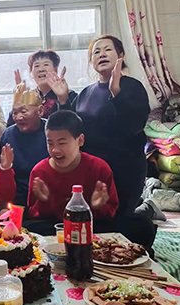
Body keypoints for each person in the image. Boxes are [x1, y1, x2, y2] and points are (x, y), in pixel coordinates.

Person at [53, 35, 155, 248]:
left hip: (124, 169)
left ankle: (143, 225)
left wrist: (116, 92)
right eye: (96, 52)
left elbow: (135, 125)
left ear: (120, 56)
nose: (101, 54)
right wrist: (63, 99)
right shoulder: (87, 93)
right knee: (96, 222)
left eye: (107, 49)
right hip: (92, 169)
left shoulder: (132, 87)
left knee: (116, 224)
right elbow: (73, 129)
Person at [25, 111, 118, 236]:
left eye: (62, 143)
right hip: (53, 230)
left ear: (80, 140)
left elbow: (111, 212)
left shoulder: (99, 168)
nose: (55, 150)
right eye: (50, 143)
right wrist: (44, 201)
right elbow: (33, 214)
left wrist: (97, 207)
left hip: (90, 229)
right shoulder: (39, 172)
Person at [0, 83, 49, 208]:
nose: (18, 117)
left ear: (40, 111)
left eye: (23, 111)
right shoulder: (8, 135)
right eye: (14, 113)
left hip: (48, 196)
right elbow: (5, 174)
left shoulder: (51, 131)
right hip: (17, 200)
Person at [7, 50, 77, 126]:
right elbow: (10, 126)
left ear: (56, 70)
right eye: (36, 66)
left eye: (46, 64)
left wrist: (63, 99)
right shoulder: (28, 97)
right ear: (31, 73)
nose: (41, 69)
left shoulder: (70, 95)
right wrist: (18, 99)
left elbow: (73, 126)